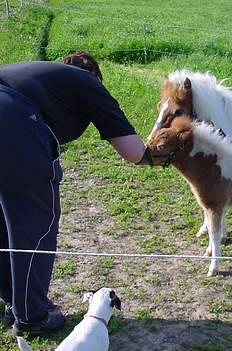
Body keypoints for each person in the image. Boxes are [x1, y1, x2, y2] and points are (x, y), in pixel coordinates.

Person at [0, 51, 152, 336]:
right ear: (96, 76)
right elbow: (133, 152)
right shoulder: (87, 83)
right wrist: (163, 153)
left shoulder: (37, 77)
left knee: (3, 219)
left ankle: (13, 303)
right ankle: (32, 316)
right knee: (33, 224)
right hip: (14, 124)